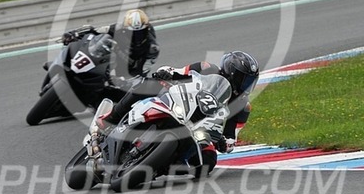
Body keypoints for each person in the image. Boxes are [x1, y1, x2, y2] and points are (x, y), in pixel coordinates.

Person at [97, 51, 260, 171]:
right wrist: (166, 73)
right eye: (244, 80)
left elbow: (232, 136)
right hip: (180, 104)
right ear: (232, 72)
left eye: (250, 82)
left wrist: (224, 143)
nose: (246, 86)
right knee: (148, 85)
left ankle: (165, 166)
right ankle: (111, 118)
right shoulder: (207, 68)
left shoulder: (243, 106)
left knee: (208, 161)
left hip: (200, 130)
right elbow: (179, 71)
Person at [62, 9, 160, 80]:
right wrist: (74, 34)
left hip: (131, 70)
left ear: (147, 30)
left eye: (140, 33)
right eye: (132, 33)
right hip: (114, 60)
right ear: (125, 29)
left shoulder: (152, 48)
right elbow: (96, 30)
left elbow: (144, 71)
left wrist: (129, 80)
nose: (137, 37)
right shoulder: (118, 28)